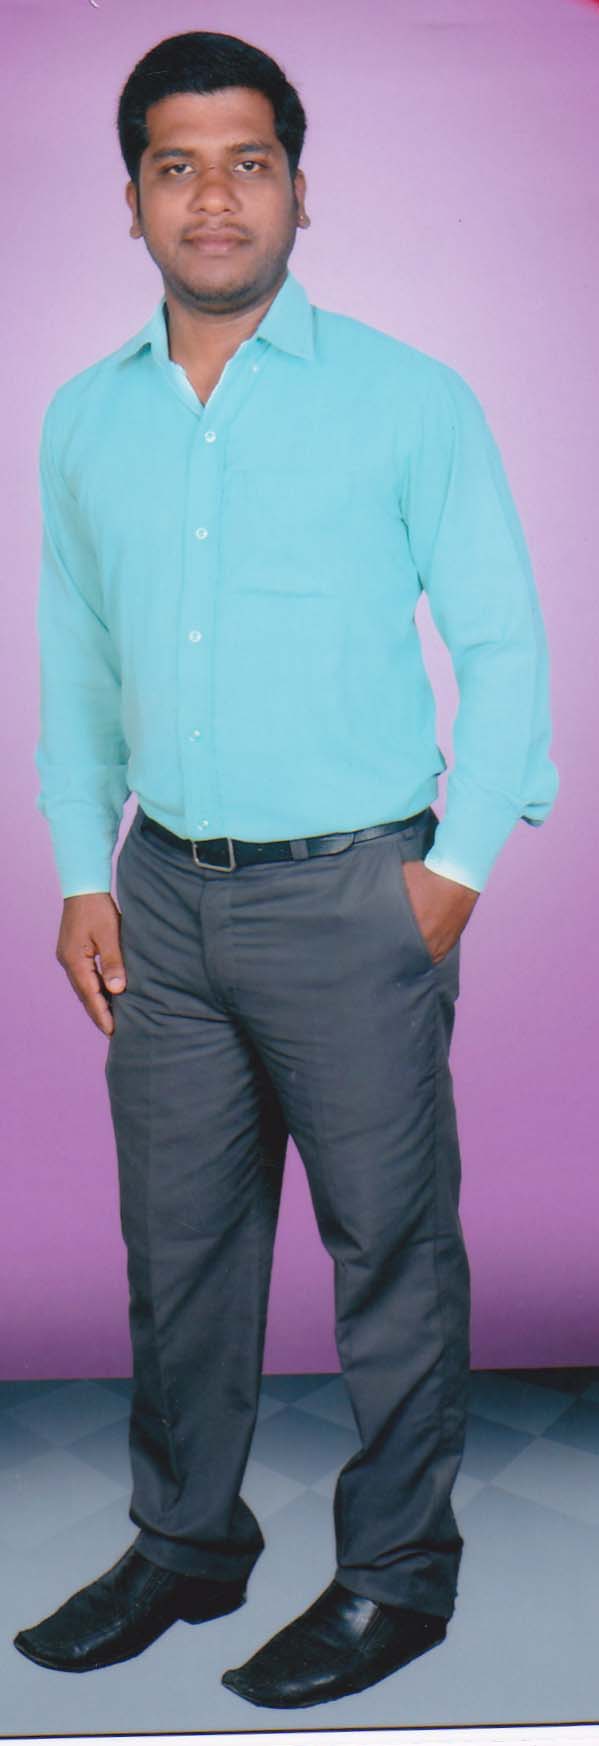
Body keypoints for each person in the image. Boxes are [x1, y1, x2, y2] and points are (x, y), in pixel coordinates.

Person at [15, 29, 558, 1709]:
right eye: (175, 166)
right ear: (129, 201)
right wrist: (83, 870)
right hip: (163, 899)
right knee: (176, 1251)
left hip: (356, 894)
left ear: (300, 191)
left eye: (248, 162)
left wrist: (456, 869)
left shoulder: (408, 397)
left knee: (392, 1250)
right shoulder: (83, 420)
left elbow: (506, 640)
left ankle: (398, 1577)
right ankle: (189, 1542)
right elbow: (76, 665)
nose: (214, 196)